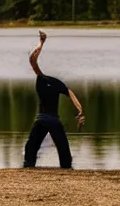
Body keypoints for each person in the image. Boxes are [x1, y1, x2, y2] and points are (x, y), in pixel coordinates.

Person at [22, 30, 85, 169]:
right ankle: (66, 167)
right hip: (53, 120)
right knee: (63, 150)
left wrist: (41, 43)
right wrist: (80, 111)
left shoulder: (42, 79)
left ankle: (28, 166)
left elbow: (32, 60)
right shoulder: (56, 83)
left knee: (31, 147)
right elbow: (71, 94)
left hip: (42, 120)